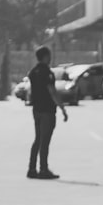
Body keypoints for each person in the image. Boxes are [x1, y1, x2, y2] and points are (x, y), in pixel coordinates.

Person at [26, 46, 68, 179]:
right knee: (45, 141)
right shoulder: (47, 72)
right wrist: (62, 108)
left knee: (38, 139)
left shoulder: (33, 72)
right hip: (47, 111)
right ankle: (43, 169)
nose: (50, 58)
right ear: (45, 56)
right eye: (48, 55)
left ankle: (32, 169)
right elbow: (52, 91)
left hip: (36, 110)